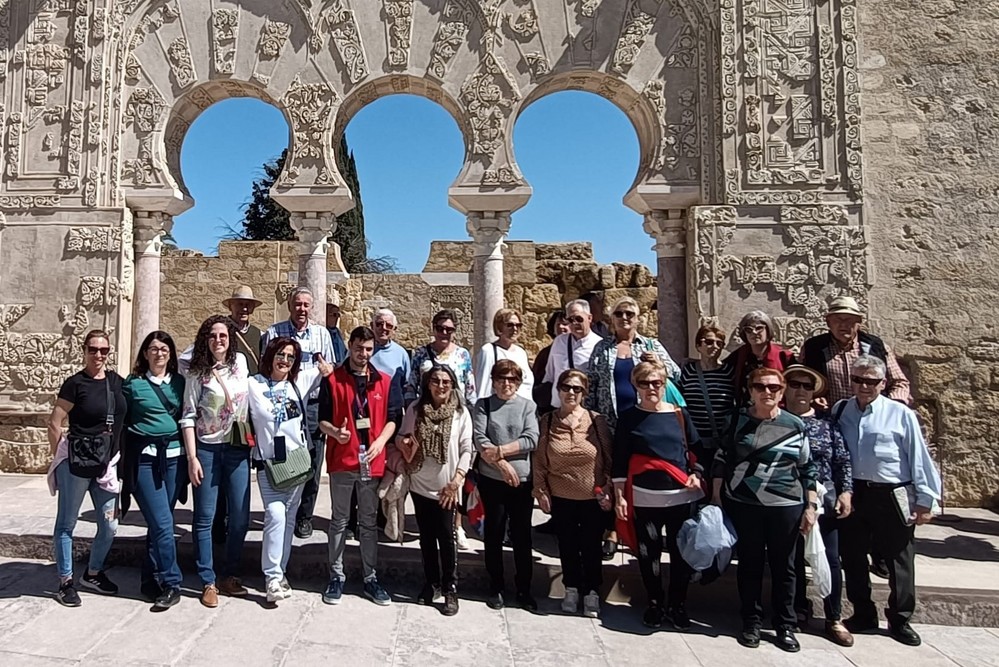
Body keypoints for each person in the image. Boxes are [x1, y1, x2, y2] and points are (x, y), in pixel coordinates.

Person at [835, 355, 941, 647]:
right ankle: (863, 614)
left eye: (871, 381)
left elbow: (918, 457)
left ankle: (901, 619)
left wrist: (926, 499)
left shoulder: (900, 414)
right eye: (858, 380)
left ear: (882, 383)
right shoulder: (841, 410)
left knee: (899, 559)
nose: (864, 386)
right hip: (855, 492)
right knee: (853, 556)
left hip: (892, 493)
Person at [711, 368, 818, 653]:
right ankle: (751, 621)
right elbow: (721, 458)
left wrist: (811, 505)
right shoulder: (735, 420)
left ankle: (785, 624)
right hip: (745, 505)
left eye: (773, 387)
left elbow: (807, 467)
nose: (766, 392)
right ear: (750, 390)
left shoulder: (795, 425)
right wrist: (715, 497)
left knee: (786, 567)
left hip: (786, 506)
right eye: (760, 386)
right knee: (750, 564)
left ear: (782, 392)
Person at [585, 296, 683, 560]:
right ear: (611, 318)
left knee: (636, 476)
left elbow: (676, 374)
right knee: (611, 472)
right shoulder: (602, 348)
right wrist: (591, 418)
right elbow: (592, 384)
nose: (625, 318)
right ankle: (612, 530)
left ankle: (635, 528)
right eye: (619, 313)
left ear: (638, 318)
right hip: (610, 421)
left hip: (643, 422)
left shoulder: (651, 345)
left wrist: (660, 364)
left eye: (630, 313)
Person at [612, 361, 703, 630]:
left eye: (657, 383)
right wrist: (620, 497)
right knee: (648, 553)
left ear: (665, 384)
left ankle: (678, 605)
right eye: (645, 383)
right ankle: (654, 603)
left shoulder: (679, 415)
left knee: (680, 555)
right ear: (635, 386)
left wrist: (697, 473)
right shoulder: (629, 418)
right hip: (644, 498)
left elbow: (697, 450)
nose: (651, 388)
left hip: (681, 498)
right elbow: (620, 461)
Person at [247, 338, 333, 603]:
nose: (285, 360)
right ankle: (272, 576)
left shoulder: (298, 383)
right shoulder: (254, 385)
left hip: (296, 463)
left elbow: (330, 371)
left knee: (289, 518)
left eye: (290, 357)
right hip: (268, 464)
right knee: (275, 514)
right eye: (280, 355)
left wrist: (327, 368)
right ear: (270, 355)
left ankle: (279, 572)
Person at [47, 330, 126, 607]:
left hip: (106, 466)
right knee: (67, 524)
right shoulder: (74, 384)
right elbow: (55, 422)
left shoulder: (117, 382)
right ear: (84, 351)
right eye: (93, 349)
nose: (98, 355)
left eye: (103, 350)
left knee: (109, 525)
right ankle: (65, 581)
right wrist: (59, 459)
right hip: (76, 465)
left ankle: (92, 572)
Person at [319, 326, 397, 606]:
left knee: (367, 522)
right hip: (343, 459)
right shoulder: (333, 380)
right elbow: (322, 420)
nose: (363, 354)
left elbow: (392, 419)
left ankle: (370, 578)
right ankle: (336, 576)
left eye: (368, 350)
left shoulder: (384, 381)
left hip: (371, 461)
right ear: (349, 346)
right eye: (358, 348)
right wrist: (335, 433)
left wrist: (381, 442)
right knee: (339, 520)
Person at [180, 315, 251, 608]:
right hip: (208, 451)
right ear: (204, 340)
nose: (218, 341)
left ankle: (229, 574)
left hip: (236, 448)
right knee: (205, 518)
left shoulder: (241, 364)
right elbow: (188, 414)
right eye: (211, 336)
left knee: (240, 516)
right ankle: (207, 580)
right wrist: (192, 457)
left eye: (222, 335)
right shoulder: (197, 373)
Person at [782, 365, 854, 646]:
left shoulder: (827, 423)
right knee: (794, 558)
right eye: (795, 384)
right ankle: (799, 609)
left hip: (824, 499)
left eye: (807, 386)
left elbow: (842, 460)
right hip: (788, 499)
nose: (801, 390)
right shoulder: (778, 420)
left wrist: (846, 492)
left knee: (831, 558)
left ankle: (833, 616)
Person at [395, 364, 473, 616]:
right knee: (427, 538)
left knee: (446, 539)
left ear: (453, 385)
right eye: (436, 381)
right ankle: (432, 584)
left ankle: (451, 588)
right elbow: (402, 436)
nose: (441, 386)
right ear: (428, 384)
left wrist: (457, 480)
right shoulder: (415, 410)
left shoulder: (461, 414)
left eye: (446, 382)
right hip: (420, 484)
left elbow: (466, 449)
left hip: (447, 487)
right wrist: (405, 442)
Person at [534, 369, 612, 618]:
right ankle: (571, 588)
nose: (571, 392)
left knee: (591, 545)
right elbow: (539, 460)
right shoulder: (547, 420)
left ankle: (591, 591)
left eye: (577, 389)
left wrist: (610, 488)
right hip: (561, 495)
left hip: (592, 495)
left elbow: (609, 459)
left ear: (584, 393)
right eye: (566, 387)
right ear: (558, 389)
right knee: (566, 545)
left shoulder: (596, 421)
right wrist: (540, 489)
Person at [262, 286, 337, 540]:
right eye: (297, 304)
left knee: (313, 462)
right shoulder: (274, 332)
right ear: (290, 306)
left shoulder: (322, 334)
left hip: (314, 405)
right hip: (283, 404)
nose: (302, 309)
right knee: (283, 456)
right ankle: (281, 507)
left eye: (306, 305)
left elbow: (330, 370)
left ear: (311, 307)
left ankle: (304, 516)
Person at [123, 331, 187, 611]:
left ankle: (150, 578)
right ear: (145, 354)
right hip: (146, 461)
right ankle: (173, 583)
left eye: (164, 349)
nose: (159, 353)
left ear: (171, 354)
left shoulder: (180, 384)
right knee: (162, 523)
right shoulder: (133, 385)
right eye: (153, 349)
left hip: (175, 459)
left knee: (158, 521)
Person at [472, 359, 540, 611]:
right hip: (493, 479)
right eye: (501, 378)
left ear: (519, 382)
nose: (506, 384)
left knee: (522, 535)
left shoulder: (527, 407)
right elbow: (480, 438)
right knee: (494, 532)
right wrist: (502, 464)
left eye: (512, 379)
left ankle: (524, 589)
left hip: (522, 481)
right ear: (493, 380)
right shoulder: (484, 405)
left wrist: (501, 451)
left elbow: (531, 438)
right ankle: (496, 586)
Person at [801, 295, 911, 406]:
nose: (843, 325)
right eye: (837, 320)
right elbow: (798, 383)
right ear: (828, 323)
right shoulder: (813, 348)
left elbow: (899, 382)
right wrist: (812, 399)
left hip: (871, 416)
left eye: (849, 320)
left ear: (858, 323)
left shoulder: (876, 346)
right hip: (828, 418)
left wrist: (892, 406)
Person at [676, 325, 737, 477]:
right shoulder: (687, 371)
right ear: (698, 345)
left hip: (723, 441)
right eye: (709, 342)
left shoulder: (729, 372)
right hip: (695, 440)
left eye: (719, 343)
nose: (714, 346)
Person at [543, 300, 605, 410]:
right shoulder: (558, 342)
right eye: (570, 320)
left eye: (579, 319)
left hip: (585, 409)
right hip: (558, 407)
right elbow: (550, 375)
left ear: (589, 318)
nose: (575, 323)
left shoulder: (600, 345)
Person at [410, 309, 476, 406]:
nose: (444, 333)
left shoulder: (462, 355)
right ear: (434, 329)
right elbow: (411, 386)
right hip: (426, 412)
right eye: (440, 328)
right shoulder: (421, 354)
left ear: (454, 332)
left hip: (456, 411)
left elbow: (470, 388)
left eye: (449, 330)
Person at [730, 311, 796, 401]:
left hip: (777, 408)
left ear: (768, 330)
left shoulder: (784, 355)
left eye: (759, 328)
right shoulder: (739, 355)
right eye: (748, 330)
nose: (754, 332)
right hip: (746, 409)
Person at [474, 308, 534, 402]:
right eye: (510, 325)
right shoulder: (489, 351)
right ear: (499, 327)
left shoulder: (521, 352)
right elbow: (483, 385)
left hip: (523, 409)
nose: (515, 329)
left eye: (518, 325)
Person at [370, 307, 412, 419]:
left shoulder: (401, 354)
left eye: (388, 325)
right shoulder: (362, 349)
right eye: (379, 324)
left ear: (394, 329)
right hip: (367, 409)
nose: (383, 328)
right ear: (371, 325)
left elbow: (406, 386)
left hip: (392, 411)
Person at [532, 310, 570, 415]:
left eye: (566, 324)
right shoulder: (545, 353)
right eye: (558, 324)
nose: (562, 327)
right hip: (551, 405)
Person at [223, 285, 264, 375]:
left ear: (252, 308)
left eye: (248, 305)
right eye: (240, 304)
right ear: (230, 307)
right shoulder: (221, 332)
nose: (244, 309)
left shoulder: (259, 334)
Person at [326, 296, 349, 368]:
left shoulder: (337, 332)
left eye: (338, 315)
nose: (336, 318)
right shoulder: (323, 332)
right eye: (334, 315)